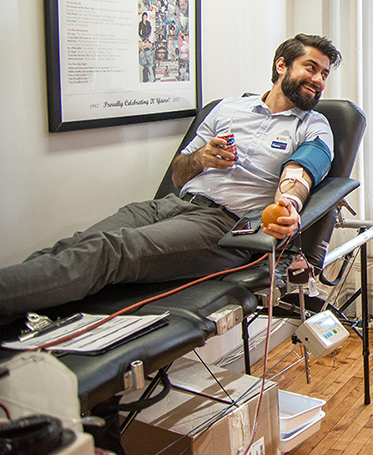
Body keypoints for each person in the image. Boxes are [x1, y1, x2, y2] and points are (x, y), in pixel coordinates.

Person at [0, 34, 342, 319]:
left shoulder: (313, 125)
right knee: (72, 244)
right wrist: (201, 158)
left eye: (324, 74)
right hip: (168, 205)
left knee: (108, 251)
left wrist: (288, 202)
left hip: (222, 227)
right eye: (311, 68)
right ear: (281, 65)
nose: (318, 80)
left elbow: (300, 173)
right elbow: (179, 173)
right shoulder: (226, 109)